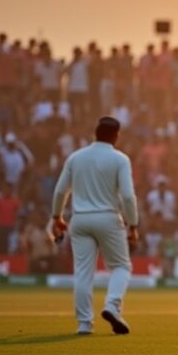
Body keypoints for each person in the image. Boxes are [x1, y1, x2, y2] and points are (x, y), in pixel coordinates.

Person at [50, 116, 139, 335]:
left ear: (95, 133)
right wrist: (133, 225)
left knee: (82, 272)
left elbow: (61, 191)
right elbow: (127, 197)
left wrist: (56, 217)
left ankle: (84, 324)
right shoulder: (120, 159)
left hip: (79, 219)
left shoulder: (76, 157)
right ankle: (112, 306)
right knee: (121, 267)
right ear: (116, 136)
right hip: (108, 217)